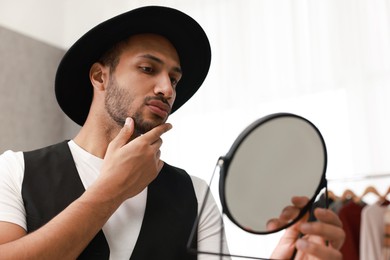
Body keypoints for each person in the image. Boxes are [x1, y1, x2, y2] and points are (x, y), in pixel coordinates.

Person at [0, 6, 344, 260]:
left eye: (174, 79)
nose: (167, 88)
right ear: (100, 77)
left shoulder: (195, 194)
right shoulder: (15, 171)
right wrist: (109, 192)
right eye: (148, 68)